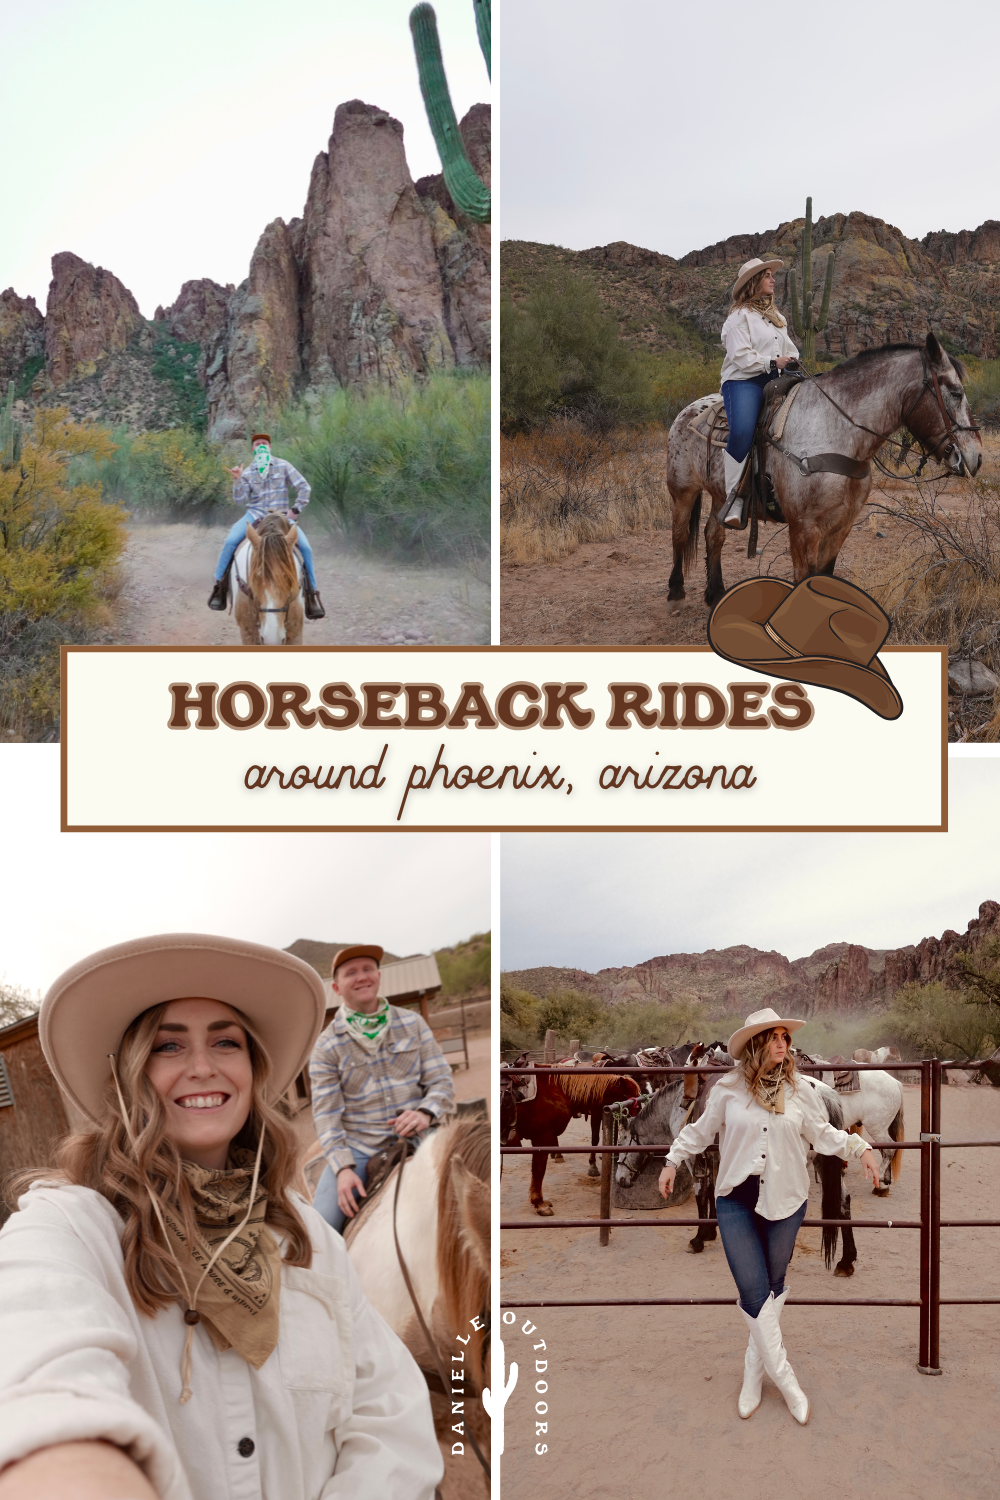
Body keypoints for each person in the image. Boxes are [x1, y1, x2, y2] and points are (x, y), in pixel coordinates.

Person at [0, 933, 442, 1500]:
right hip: (353, 1148)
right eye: (168, 1046)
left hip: (412, 1132)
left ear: (252, 1070)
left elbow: (390, 1411)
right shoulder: (68, 1229)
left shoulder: (306, 1241)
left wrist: (427, 1111)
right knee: (337, 1214)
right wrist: (344, 1163)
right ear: (129, 1073)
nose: (203, 1067)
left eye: (226, 1043)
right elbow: (31, 1350)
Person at [658, 1008, 879, 1426]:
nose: (783, 1043)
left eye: (785, 1036)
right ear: (757, 1044)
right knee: (755, 1292)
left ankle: (752, 1375)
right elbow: (701, 1132)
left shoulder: (799, 1090)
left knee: (772, 1288)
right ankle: (787, 1381)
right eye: (774, 1036)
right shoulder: (727, 1089)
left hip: (786, 1200)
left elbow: (822, 1134)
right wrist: (672, 1160)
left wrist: (859, 1148)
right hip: (735, 1202)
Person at [309, 945, 456, 1234]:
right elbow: (326, 1117)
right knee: (320, 1230)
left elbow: (442, 1081)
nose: (361, 977)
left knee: (475, 1194)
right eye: (351, 973)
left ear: (378, 976)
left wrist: (425, 1112)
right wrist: (342, 1168)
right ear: (337, 987)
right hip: (362, 1148)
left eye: (367, 969)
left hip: (424, 1137)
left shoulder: (412, 1024)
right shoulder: (326, 1046)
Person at [717, 259, 802, 528]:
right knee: (742, 430)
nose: (773, 280)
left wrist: (792, 360)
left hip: (775, 377)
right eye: (767, 276)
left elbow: (791, 348)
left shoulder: (777, 318)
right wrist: (773, 362)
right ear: (753, 282)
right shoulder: (738, 318)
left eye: (771, 276)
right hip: (744, 381)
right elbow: (741, 357)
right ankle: (735, 499)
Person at [208, 434, 325, 619]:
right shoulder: (247, 472)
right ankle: (219, 588)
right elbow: (239, 501)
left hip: (281, 516)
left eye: (264, 443)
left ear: (270, 447)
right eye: (257, 444)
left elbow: (304, 487)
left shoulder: (283, 465)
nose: (261, 446)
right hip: (254, 514)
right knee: (230, 541)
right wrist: (237, 480)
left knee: (306, 548)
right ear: (253, 450)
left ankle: (312, 595)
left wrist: (295, 510)